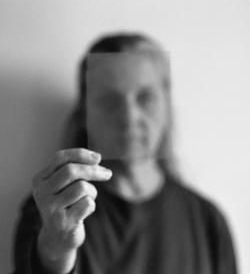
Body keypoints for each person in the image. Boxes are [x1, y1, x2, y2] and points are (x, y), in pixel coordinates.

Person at [12, 33, 237, 274]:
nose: (129, 118)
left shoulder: (207, 221)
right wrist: (55, 251)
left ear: (167, 105)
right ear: (85, 113)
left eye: (145, 97)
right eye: (110, 101)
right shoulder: (52, 211)